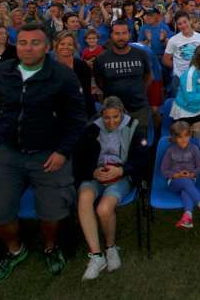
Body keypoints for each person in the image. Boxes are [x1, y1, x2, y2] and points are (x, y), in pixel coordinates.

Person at [0, 22, 87, 283]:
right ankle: (15, 249)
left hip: (48, 153)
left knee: (53, 213)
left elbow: (77, 119)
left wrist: (62, 151)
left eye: (35, 43)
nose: (28, 48)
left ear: (47, 47)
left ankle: (50, 246)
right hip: (8, 152)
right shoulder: (2, 72)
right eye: (23, 43)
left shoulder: (62, 76)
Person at [74, 96, 148, 281]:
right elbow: (79, 161)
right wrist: (93, 172)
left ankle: (110, 247)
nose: (111, 121)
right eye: (107, 117)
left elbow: (142, 160)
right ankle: (96, 256)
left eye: (115, 117)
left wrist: (121, 170)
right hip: (96, 175)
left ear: (122, 113)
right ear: (102, 115)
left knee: (104, 209)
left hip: (120, 175)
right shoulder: (91, 129)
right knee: (84, 199)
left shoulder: (134, 127)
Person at [94, 21, 153, 128]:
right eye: (117, 33)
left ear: (129, 34)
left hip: (138, 108)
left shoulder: (141, 54)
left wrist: (139, 91)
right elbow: (99, 82)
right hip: (112, 112)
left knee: (139, 137)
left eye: (124, 33)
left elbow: (148, 76)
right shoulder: (101, 58)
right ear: (111, 35)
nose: (121, 37)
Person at [160, 120, 200, 230]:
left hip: (190, 179)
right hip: (174, 181)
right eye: (180, 137)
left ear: (190, 135)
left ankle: (187, 217)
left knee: (186, 190)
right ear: (174, 138)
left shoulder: (194, 149)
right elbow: (164, 170)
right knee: (186, 183)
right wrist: (176, 175)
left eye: (186, 136)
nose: (184, 139)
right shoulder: (170, 150)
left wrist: (192, 174)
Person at [169, 45, 200, 144]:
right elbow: (190, 98)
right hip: (184, 112)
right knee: (183, 144)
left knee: (199, 144)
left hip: (197, 111)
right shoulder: (190, 74)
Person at [163, 11, 200, 95]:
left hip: (198, 77)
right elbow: (166, 60)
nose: (183, 25)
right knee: (179, 101)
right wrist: (178, 67)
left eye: (185, 22)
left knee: (198, 100)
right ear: (177, 25)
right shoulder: (173, 40)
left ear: (190, 21)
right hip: (179, 78)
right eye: (180, 24)